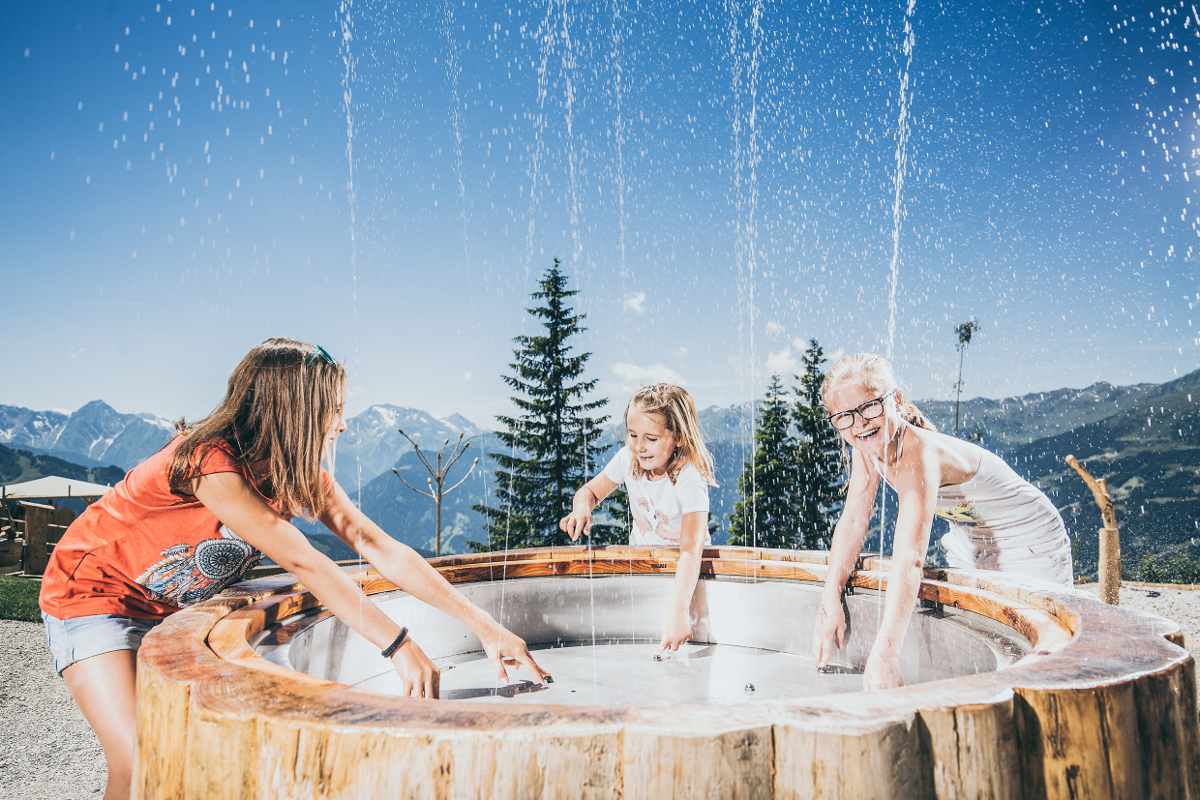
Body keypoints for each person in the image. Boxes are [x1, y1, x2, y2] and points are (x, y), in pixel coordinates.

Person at [39, 338, 547, 800]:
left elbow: (379, 546)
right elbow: (307, 561)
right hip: (91, 597)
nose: (343, 425)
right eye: (335, 410)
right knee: (141, 759)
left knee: (194, 759)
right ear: (294, 410)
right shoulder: (207, 462)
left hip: (168, 608)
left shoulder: (298, 476)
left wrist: (486, 626)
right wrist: (398, 645)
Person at [811, 353, 1073, 691]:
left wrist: (886, 654)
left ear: (897, 401)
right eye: (844, 417)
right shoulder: (866, 448)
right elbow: (852, 523)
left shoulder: (917, 451)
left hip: (1027, 531)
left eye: (870, 406)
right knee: (983, 631)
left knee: (1044, 647)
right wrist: (829, 598)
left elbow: (909, 559)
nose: (859, 423)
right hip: (970, 533)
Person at [559, 383, 717, 656]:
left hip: (686, 576)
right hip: (643, 567)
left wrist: (678, 610)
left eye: (651, 439)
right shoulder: (628, 460)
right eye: (632, 434)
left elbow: (692, 549)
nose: (639, 447)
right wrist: (581, 508)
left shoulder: (689, 477)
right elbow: (590, 491)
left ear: (678, 436)